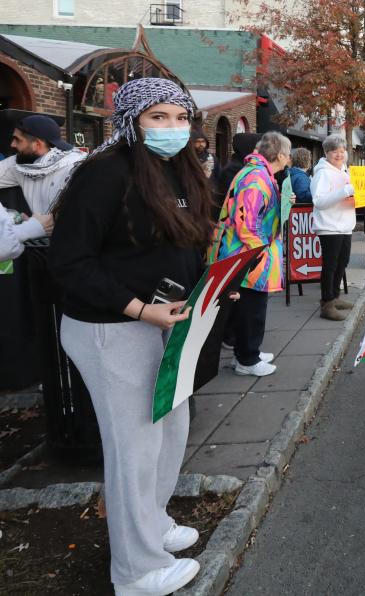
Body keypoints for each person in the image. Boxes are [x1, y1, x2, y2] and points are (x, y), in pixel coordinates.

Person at [47, 78, 210, 596]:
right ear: (132, 121)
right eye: (157, 117)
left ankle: (152, 523)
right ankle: (136, 570)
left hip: (166, 324)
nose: (172, 128)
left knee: (171, 430)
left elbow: (178, 246)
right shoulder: (103, 174)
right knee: (134, 447)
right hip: (112, 329)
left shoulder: (175, 169)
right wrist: (140, 309)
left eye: (180, 117)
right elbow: (71, 263)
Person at [211, 132, 289, 376]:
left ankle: (246, 352)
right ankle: (248, 359)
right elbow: (247, 223)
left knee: (247, 307)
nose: (289, 159)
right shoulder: (257, 178)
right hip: (249, 256)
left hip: (246, 253)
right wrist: (261, 253)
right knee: (251, 309)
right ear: (279, 155)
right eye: (287, 154)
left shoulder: (258, 173)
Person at [0, 114, 85, 239]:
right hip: (39, 241)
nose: (12, 144)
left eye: (17, 139)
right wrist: (7, 217)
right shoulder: (20, 163)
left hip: (72, 244)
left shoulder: (76, 167)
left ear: (37, 145)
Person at [310, 134, 356, 321]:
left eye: (342, 151)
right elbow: (319, 201)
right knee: (330, 266)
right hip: (329, 226)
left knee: (342, 263)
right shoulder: (322, 173)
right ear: (326, 153)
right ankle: (327, 303)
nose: (339, 154)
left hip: (345, 224)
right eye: (334, 151)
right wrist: (346, 190)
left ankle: (335, 297)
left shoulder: (345, 172)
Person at [214, 132, 262, 210]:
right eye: (256, 148)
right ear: (247, 147)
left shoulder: (247, 166)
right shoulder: (233, 170)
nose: (258, 152)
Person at [280, 147, 314, 225]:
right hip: (300, 218)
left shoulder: (290, 174)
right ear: (307, 162)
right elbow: (303, 195)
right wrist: (318, 195)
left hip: (291, 215)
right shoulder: (301, 177)